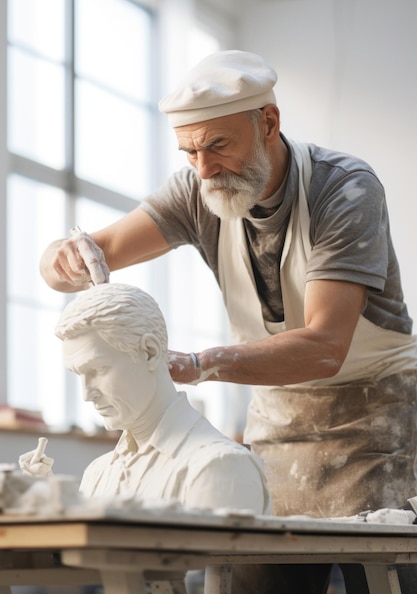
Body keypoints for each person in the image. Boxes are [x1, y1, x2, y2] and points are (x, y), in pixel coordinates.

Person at [39, 50, 417, 593]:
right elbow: (95, 251)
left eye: (218, 145)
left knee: (380, 574)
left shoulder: (345, 189)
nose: (204, 168)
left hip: (375, 421)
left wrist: (198, 364)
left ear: (268, 122)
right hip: (277, 422)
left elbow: (325, 347)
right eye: (189, 150)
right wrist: (61, 259)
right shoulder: (195, 192)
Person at [20, 282, 270, 515]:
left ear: (149, 353)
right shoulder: (98, 473)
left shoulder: (218, 467)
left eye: (97, 369)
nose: (86, 394)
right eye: (79, 375)